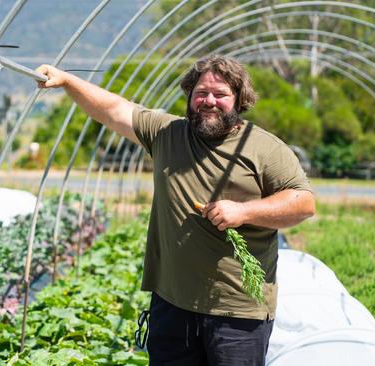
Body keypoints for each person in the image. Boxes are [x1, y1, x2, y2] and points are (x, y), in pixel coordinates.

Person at [35, 55, 315, 366]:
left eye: (220, 94)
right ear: (189, 95)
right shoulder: (166, 133)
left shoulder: (263, 148)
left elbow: (303, 203)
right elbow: (113, 109)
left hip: (236, 311)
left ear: (238, 99)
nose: (209, 101)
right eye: (201, 93)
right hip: (172, 305)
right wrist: (68, 81)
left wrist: (244, 212)